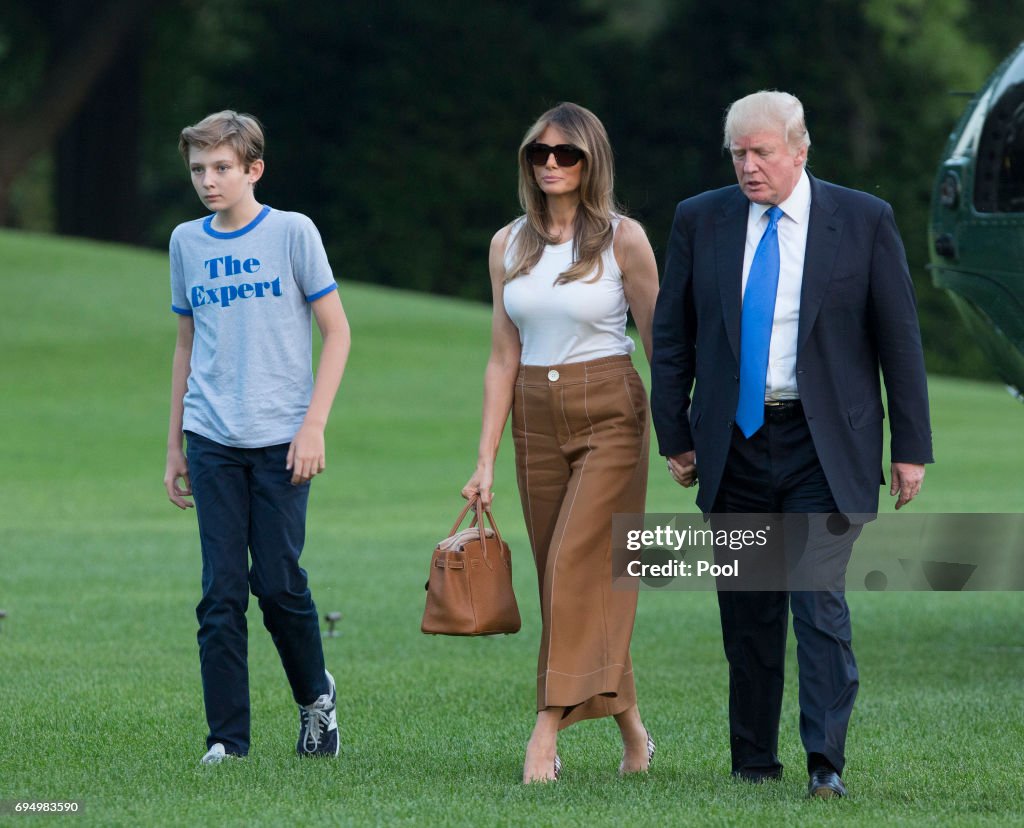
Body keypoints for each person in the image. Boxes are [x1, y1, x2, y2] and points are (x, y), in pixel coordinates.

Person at [650, 91, 933, 798]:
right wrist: (676, 435)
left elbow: (899, 340)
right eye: (738, 153)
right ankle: (752, 761)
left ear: (799, 150)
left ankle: (825, 764)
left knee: (816, 600)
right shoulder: (700, 219)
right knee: (747, 610)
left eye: (762, 152)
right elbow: (671, 337)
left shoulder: (862, 220)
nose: (749, 166)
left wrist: (911, 446)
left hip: (823, 446)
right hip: (734, 445)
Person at [462, 102, 660, 783]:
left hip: (610, 408)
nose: (551, 163)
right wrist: (483, 459)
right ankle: (633, 730)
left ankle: (545, 730)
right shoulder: (506, 244)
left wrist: (681, 438)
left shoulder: (624, 240)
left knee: (578, 565)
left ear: (590, 161)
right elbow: (500, 357)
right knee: (564, 579)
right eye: (539, 153)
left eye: (566, 154)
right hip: (534, 416)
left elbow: (661, 344)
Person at [162, 110, 351, 765]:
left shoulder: (292, 233)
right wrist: (174, 446)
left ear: (253, 169)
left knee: (276, 584)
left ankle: (315, 700)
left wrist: (313, 425)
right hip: (210, 436)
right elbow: (186, 344)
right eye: (197, 170)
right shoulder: (186, 242)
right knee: (220, 592)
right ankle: (227, 742)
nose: (208, 181)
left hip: (281, 442)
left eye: (221, 168)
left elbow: (338, 332)